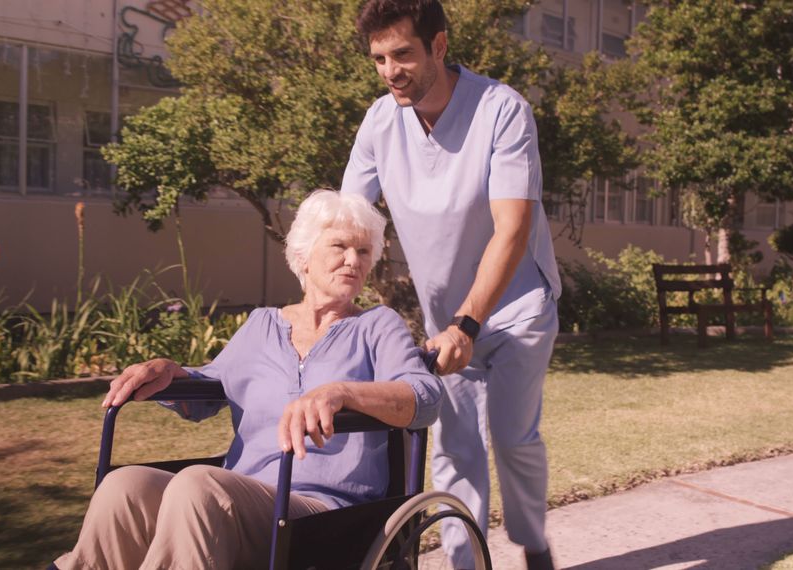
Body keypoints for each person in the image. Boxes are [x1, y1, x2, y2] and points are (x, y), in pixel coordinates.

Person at [52, 190, 444, 569]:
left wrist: (341, 392)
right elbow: (207, 390)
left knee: (198, 486)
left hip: (324, 512)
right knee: (125, 487)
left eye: (363, 252)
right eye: (339, 247)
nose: (353, 261)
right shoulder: (261, 326)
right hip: (242, 494)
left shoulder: (376, 326)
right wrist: (169, 372)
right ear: (304, 257)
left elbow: (424, 396)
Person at [341, 1, 562, 568]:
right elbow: (349, 222)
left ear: (438, 46)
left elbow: (512, 230)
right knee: (456, 453)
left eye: (404, 54)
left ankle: (534, 546)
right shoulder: (380, 123)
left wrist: (468, 321)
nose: (391, 70)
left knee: (514, 442)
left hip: (514, 310)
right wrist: (328, 306)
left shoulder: (501, 110)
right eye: (380, 58)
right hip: (447, 324)